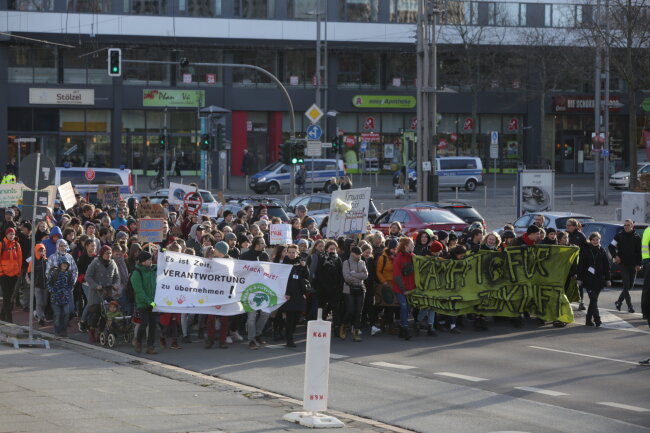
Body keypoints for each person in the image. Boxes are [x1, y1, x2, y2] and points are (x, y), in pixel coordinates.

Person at [240, 236, 271, 349]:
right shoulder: (245, 256)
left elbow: (268, 272)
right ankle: (251, 339)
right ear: (256, 244)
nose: (264, 245)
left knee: (265, 314)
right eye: (262, 243)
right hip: (249, 290)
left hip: (262, 289)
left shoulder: (264, 255)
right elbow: (241, 272)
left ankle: (258, 334)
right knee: (251, 317)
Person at [577, 232, 610, 327]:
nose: (595, 241)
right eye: (593, 240)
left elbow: (606, 266)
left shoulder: (602, 251)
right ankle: (597, 319)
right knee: (594, 299)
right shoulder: (586, 251)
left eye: (597, 239)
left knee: (593, 301)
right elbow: (581, 266)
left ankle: (588, 320)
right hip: (588, 280)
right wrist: (579, 278)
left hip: (599, 280)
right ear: (590, 240)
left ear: (599, 240)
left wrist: (608, 279)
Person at [608, 219, 641, 313]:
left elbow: (639, 252)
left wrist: (639, 264)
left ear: (632, 226)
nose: (626, 226)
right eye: (625, 225)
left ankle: (618, 302)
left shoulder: (637, 237)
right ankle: (630, 306)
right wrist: (615, 256)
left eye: (628, 225)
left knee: (630, 285)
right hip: (623, 264)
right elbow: (611, 247)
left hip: (633, 265)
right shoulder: (619, 235)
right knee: (626, 286)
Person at [131, 250, 158, 354]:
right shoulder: (136, 273)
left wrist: (164, 253)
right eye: (148, 260)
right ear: (142, 262)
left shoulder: (153, 270)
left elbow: (163, 266)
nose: (151, 261)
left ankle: (150, 346)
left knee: (153, 324)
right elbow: (139, 291)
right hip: (143, 303)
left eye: (151, 259)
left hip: (153, 302)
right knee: (144, 323)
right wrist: (149, 301)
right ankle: (138, 341)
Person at [282, 246, 309, 347]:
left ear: (297, 253)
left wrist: (304, 266)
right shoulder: (284, 264)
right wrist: (286, 293)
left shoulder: (300, 264)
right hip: (289, 295)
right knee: (290, 317)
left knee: (297, 317)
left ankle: (289, 334)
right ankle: (289, 339)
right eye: (290, 252)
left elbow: (307, 276)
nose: (291, 254)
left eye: (294, 252)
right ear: (287, 253)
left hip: (299, 294)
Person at [341, 246, 369, 342]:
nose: (359, 256)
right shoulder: (346, 263)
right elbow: (347, 277)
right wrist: (358, 275)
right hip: (349, 289)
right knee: (350, 310)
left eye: (360, 254)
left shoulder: (362, 262)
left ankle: (356, 332)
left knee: (358, 312)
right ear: (352, 253)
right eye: (357, 254)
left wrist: (354, 274)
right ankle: (343, 326)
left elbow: (365, 275)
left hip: (361, 288)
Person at [392, 237, 415, 340]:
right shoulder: (398, 258)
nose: (413, 246)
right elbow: (397, 276)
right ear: (406, 246)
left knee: (407, 308)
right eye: (411, 244)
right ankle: (404, 329)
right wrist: (404, 289)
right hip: (401, 289)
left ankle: (402, 328)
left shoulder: (412, 257)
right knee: (404, 307)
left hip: (410, 288)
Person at [47, 258, 75, 337]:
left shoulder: (69, 273)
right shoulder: (54, 273)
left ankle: (64, 330)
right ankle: (57, 330)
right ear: (60, 265)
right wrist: (52, 290)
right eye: (63, 264)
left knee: (66, 313)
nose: (65, 265)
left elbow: (71, 283)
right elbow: (49, 283)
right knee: (58, 314)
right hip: (55, 298)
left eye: (66, 264)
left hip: (65, 298)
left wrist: (68, 290)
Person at [0, 228, 23, 323]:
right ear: (6, 235)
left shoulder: (17, 245)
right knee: (6, 296)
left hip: (14, 274)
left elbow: (19, 259)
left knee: (11, 296)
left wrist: (18, 271)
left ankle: (2, 315)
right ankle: (9, 317)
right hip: (4, 274)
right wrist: (1, 272)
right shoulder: (1, 244)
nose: (11, 236)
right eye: (10, 234)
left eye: (13, 234)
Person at [26, 243, 48, 326]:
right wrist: (34, 281)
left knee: (44, 302)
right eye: (39, 251)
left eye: (42, 251)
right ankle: (40, 318)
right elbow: (29, 272)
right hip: (37, 285)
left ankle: (40, 314)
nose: (41, 252)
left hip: (45, 284)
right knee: (39, 302)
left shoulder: (46, 260)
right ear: (36, 251)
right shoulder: (33, 261)